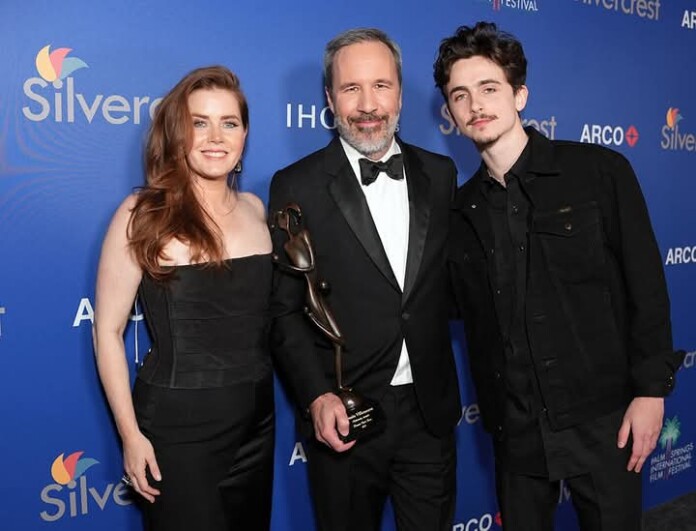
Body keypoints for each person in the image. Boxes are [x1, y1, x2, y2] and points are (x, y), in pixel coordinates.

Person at [434, 22, 685, 531]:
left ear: (520, 94)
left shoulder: (598, 171)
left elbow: (646, 286)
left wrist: (651, 391)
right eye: (460, 95)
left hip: (605, 419)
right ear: (451, 113)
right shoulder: (458, 213)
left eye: (489, 88)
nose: (475, 105)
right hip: (516, 428)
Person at [269, 28, 461, 531]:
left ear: (400, 92)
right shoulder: (296, 185)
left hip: (429, 413)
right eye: (351, 88)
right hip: (346, 413)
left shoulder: (441, 175)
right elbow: (284, 310)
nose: (368, 104)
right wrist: (316, 397)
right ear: (330, 100)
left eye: (381, 85)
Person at [93, 66, 274, 531]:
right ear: (177, 133)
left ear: (244, 133)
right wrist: (131, 436)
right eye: (199, 122)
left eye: (229, 122)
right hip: (178, 428)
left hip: (257, 420)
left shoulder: (256, 209)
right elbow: (109, 332)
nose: (216, 136)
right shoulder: (142, 214)